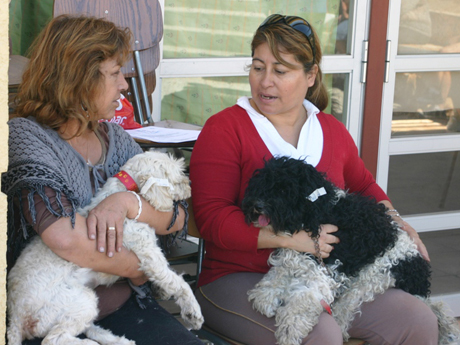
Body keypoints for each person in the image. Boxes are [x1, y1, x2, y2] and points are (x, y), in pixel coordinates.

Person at [189, 14, 438, 345]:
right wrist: (291, 239)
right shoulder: (224, 129)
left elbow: (364, 186)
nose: (265, 81)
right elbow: (211, 219)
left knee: (417, 319)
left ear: (311, 75)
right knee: (317, 333)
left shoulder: (330, 130)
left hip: (326, 278)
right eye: (258, 67)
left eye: (280, 71)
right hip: (237, 277)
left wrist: (397, 222)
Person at [2, 15, 203, 345]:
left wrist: (127, 202)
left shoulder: (117, 139)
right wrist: (142, 267)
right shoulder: (27, 137)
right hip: (50, 319)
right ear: (78, 79)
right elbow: (66, 239)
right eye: (114, 74)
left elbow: (179, 217)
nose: (124, 85)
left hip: (124, 308)